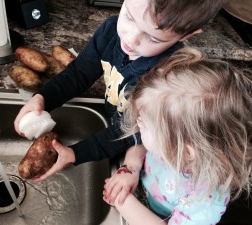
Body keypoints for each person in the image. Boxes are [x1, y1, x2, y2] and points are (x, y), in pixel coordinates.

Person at [14, 0, 226, 181]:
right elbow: (79, 73)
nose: (131, 39)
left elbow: (130, 131)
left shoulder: (168, 76)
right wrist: (42, 98)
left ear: (186, 34)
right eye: (130, 17)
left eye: (153, 38)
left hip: (140, 136)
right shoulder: (110, 32)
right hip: (119, 123)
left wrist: (75, 154)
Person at [102, 47, 252, 225]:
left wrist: (123, 202)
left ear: (186, 152)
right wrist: (132, 166)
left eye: (143, 123)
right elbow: (141, 143)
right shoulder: (173, 140)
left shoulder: (204, 201)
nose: (137, 124)